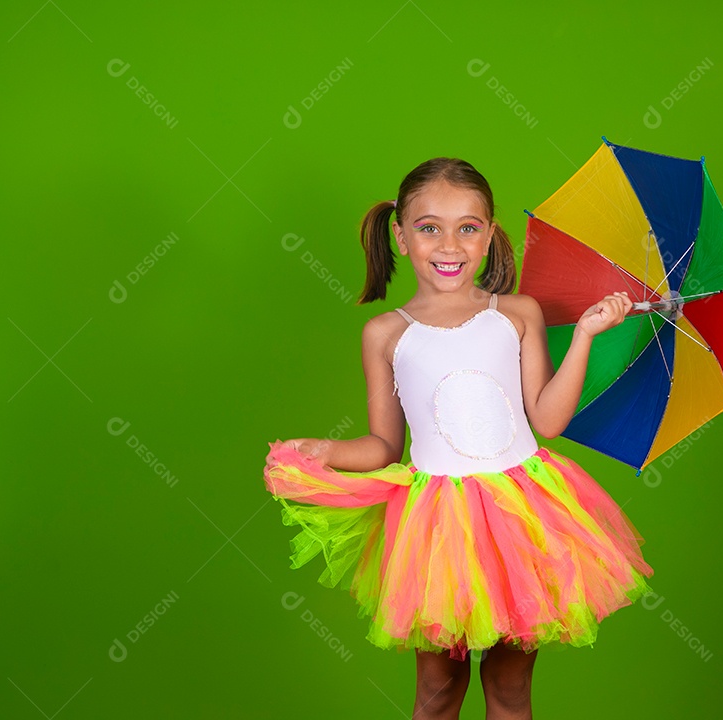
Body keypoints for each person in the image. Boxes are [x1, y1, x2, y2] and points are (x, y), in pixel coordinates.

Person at [263, 157, 654, 719]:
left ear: (490, 236)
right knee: (439, 687)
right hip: (439, 524)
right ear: (401, 237)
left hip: (524, 516)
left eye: (468, 227)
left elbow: (547, 421)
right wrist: (328, 451)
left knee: (511, 684)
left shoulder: (517, 314)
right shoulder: (386, 333)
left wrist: (586, 335)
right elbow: (384, 446)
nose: (450, 245)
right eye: (430, 228)